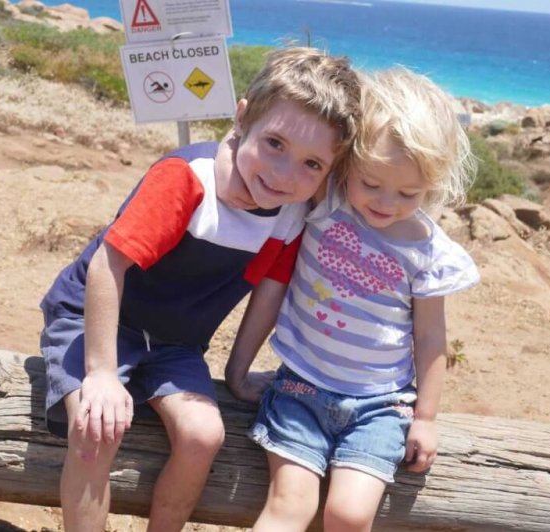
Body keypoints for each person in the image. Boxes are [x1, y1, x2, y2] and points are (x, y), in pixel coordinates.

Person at [38, 46, 361, 532]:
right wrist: (101, 372)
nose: (284, 174)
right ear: (243, 116)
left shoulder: (292, 214)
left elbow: (268, 292)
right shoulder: (188, 181)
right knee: (95, 428)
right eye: (274, 143)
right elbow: (110, 264)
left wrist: (237, 371)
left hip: (175, 344)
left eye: (311, 164)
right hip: (96, 319)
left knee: (204, 436)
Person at [225, 67, 480, 532]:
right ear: (350, 164)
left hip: (380, 406)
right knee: (289, 506)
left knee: (348, 514)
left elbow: (430, 336)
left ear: (433, 183)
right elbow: (273, 283)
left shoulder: (428, 252)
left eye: (408, 192)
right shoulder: (328, 200)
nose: (385, 202)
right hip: (300, 387)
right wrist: (237, 368)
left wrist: (425, 418)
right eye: (371, 183)